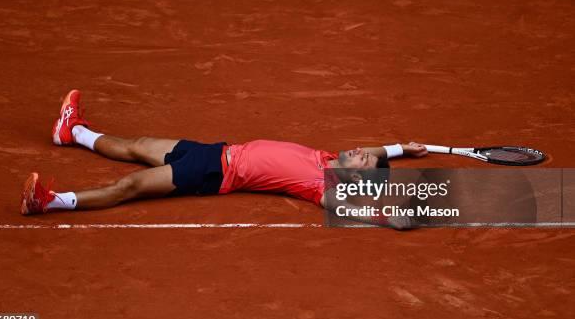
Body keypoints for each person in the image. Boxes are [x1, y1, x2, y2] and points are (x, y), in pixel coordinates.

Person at [21, 90, 428, 227]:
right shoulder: (328, 158)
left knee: (129, 187)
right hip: (214, 150)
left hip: (212, 173)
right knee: (136, 144)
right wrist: (399, 149)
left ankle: (51, 202)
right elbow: (372, 154)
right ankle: (72, 131)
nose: (358, 151)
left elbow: (344, 207)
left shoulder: (321, 186)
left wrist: (387, 216)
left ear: (353, 179)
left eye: (358, 160)